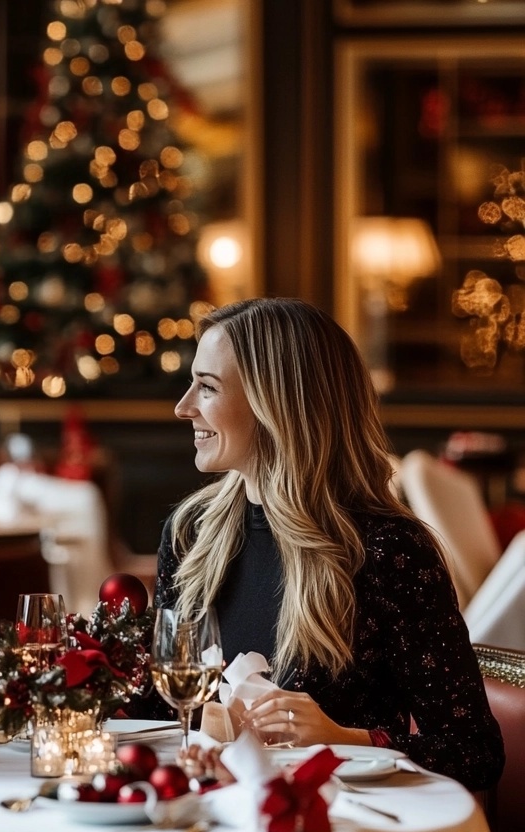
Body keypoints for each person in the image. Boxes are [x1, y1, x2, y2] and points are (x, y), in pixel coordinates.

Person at [154, 297, 503, 792]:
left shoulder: (389, 551)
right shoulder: (189, 535)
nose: (183, 406)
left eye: (207, 387)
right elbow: (156, 715)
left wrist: (343, 738)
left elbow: (475, 752)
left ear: (276, 404)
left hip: (340, 831)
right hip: (205, 819)